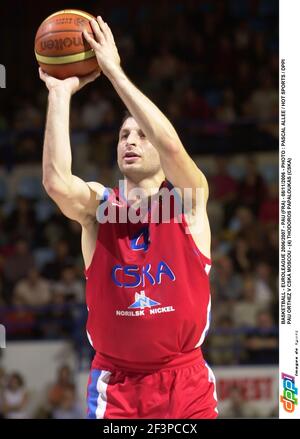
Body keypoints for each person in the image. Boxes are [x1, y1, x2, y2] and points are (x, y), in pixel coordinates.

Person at [39, 15, 217, 419]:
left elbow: (171, 146)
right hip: (115, 386)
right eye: (123, 135)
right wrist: (60, 93)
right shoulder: (100, 209)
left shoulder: (188, 202)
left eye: (140, 134)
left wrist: (114, 72)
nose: (131, 141)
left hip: (183, 381)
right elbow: (56, 182)